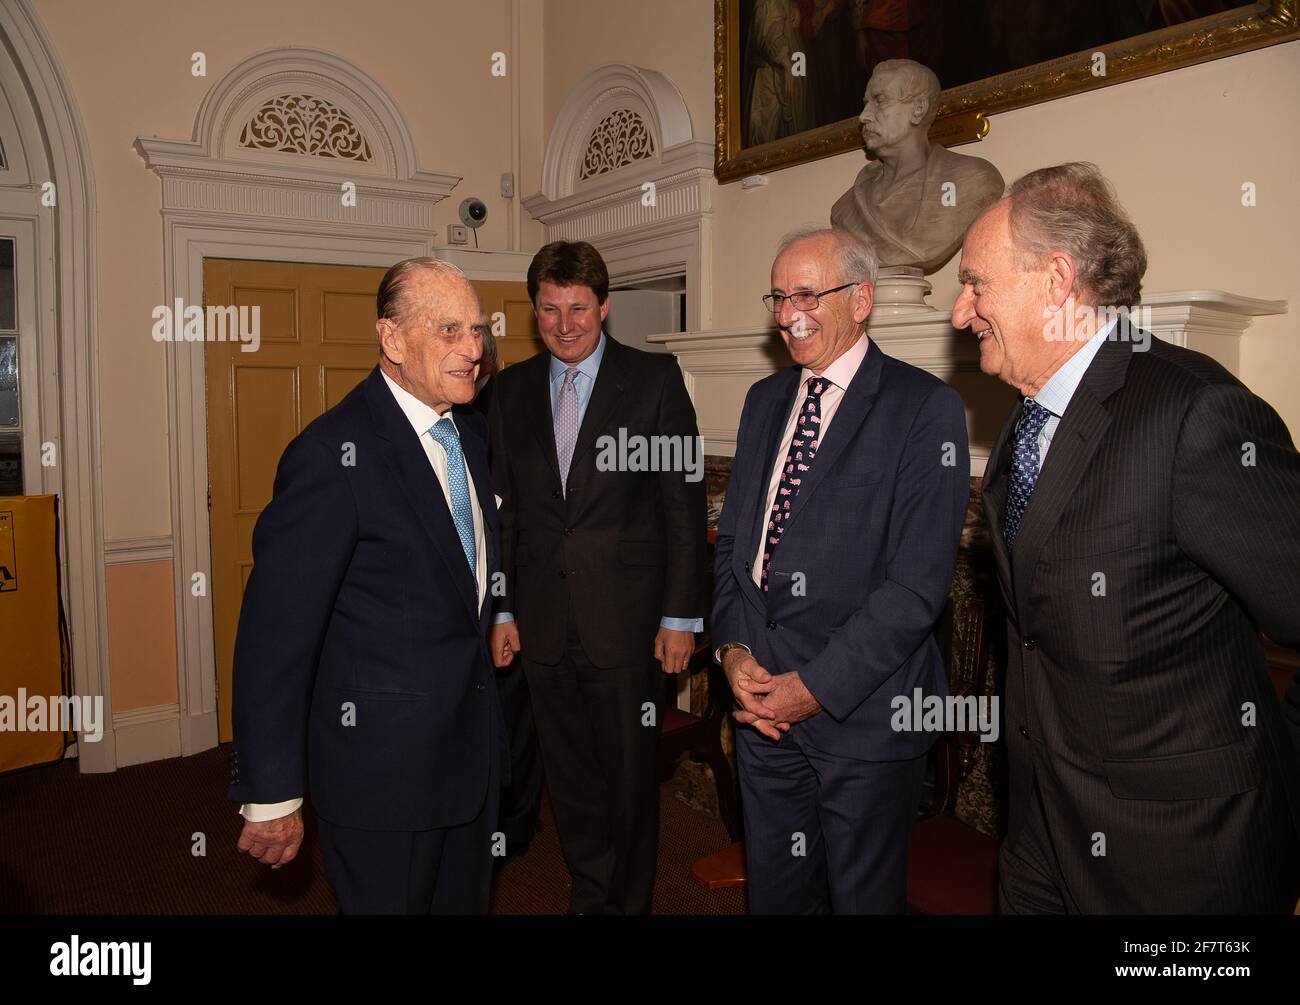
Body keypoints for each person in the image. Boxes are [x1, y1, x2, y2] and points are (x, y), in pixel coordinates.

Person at [954, 161, 1300, 913]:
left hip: (1181, 860)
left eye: (976, 283)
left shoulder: (1195, 412)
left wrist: (1279, 765)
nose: (960, 310)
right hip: (1042, 840)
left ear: (1055, 279)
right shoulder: (1023, 420)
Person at [228, 258, 505, 914]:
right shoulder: (332, 455)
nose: (473, 348)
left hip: (472, 762)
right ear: (392, 338)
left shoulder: (470, 432)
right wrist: (272, 791)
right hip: (382, 779)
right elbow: (275, 638)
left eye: (477, 329)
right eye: (448, 329)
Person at [713, 227, 969, 913]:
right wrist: (734, 651)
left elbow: (916, 587)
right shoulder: (764, 402)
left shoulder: (926, 409)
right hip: (762, 710)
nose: (787, 312)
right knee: (779, 895)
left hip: (864, 718)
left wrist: (816, 687)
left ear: (861, 299)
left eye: (806, 294)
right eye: (778, 295)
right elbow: (737, 545)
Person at [487, 240, 708, 914]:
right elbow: (506, 514)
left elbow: (683, 503)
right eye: (549, 308)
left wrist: (680, 617)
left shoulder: (654, 381)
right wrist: (501, 609)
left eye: (578, 307)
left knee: (629, 780)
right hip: (543, 627)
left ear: (604, 306)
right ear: (534, 310)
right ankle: (590, 892)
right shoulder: (509, 391)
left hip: (630, 628)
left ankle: (629, 903)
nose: (564, 323)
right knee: (572, 779)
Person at [830, 58, 1003, 272]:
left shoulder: (972, 180)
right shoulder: (846, 209)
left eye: (880, 100)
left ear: (918, 109)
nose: (864, 116)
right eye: (866, 103)